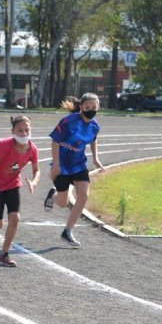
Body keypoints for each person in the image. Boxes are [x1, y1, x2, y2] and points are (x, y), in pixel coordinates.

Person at [0, 115, 40, 267]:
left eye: (27, 130)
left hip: (13, 186)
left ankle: (4, 254)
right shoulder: (5, 146)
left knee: (15, 218)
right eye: (20, 130)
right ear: (13, 131)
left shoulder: (32, 149)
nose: (24, 134)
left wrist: (34, 182)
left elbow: (37, 170)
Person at [43, 93, 106, 247]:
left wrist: (95, 158)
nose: (90, 110)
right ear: (81, 107)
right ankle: (54, 194)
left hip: (78, 164)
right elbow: (55, 140)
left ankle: (67, 231)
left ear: (98, 107)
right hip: (62, 165)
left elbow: (93, 139)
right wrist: (56, 163)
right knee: (63, 203)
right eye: (87, 107)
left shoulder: (95, 126)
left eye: (93, 107)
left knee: (83, 196)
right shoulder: (68, 121)